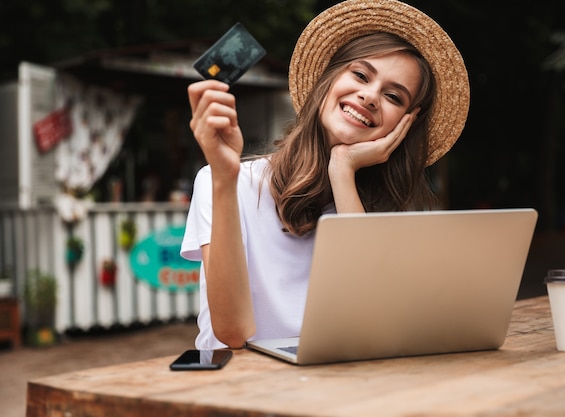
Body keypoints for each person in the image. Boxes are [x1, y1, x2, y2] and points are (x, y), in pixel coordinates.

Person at [181, 0, 470, 349]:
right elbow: (232, 332)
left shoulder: (383, 211)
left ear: (405, 125)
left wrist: (343, 171)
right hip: (241, 386)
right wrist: (223, 181)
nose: (370, 96)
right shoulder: (230, 181)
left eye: (393, 96)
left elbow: (374, 324)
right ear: (327, 80)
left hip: (333, 387)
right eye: (360, 75)